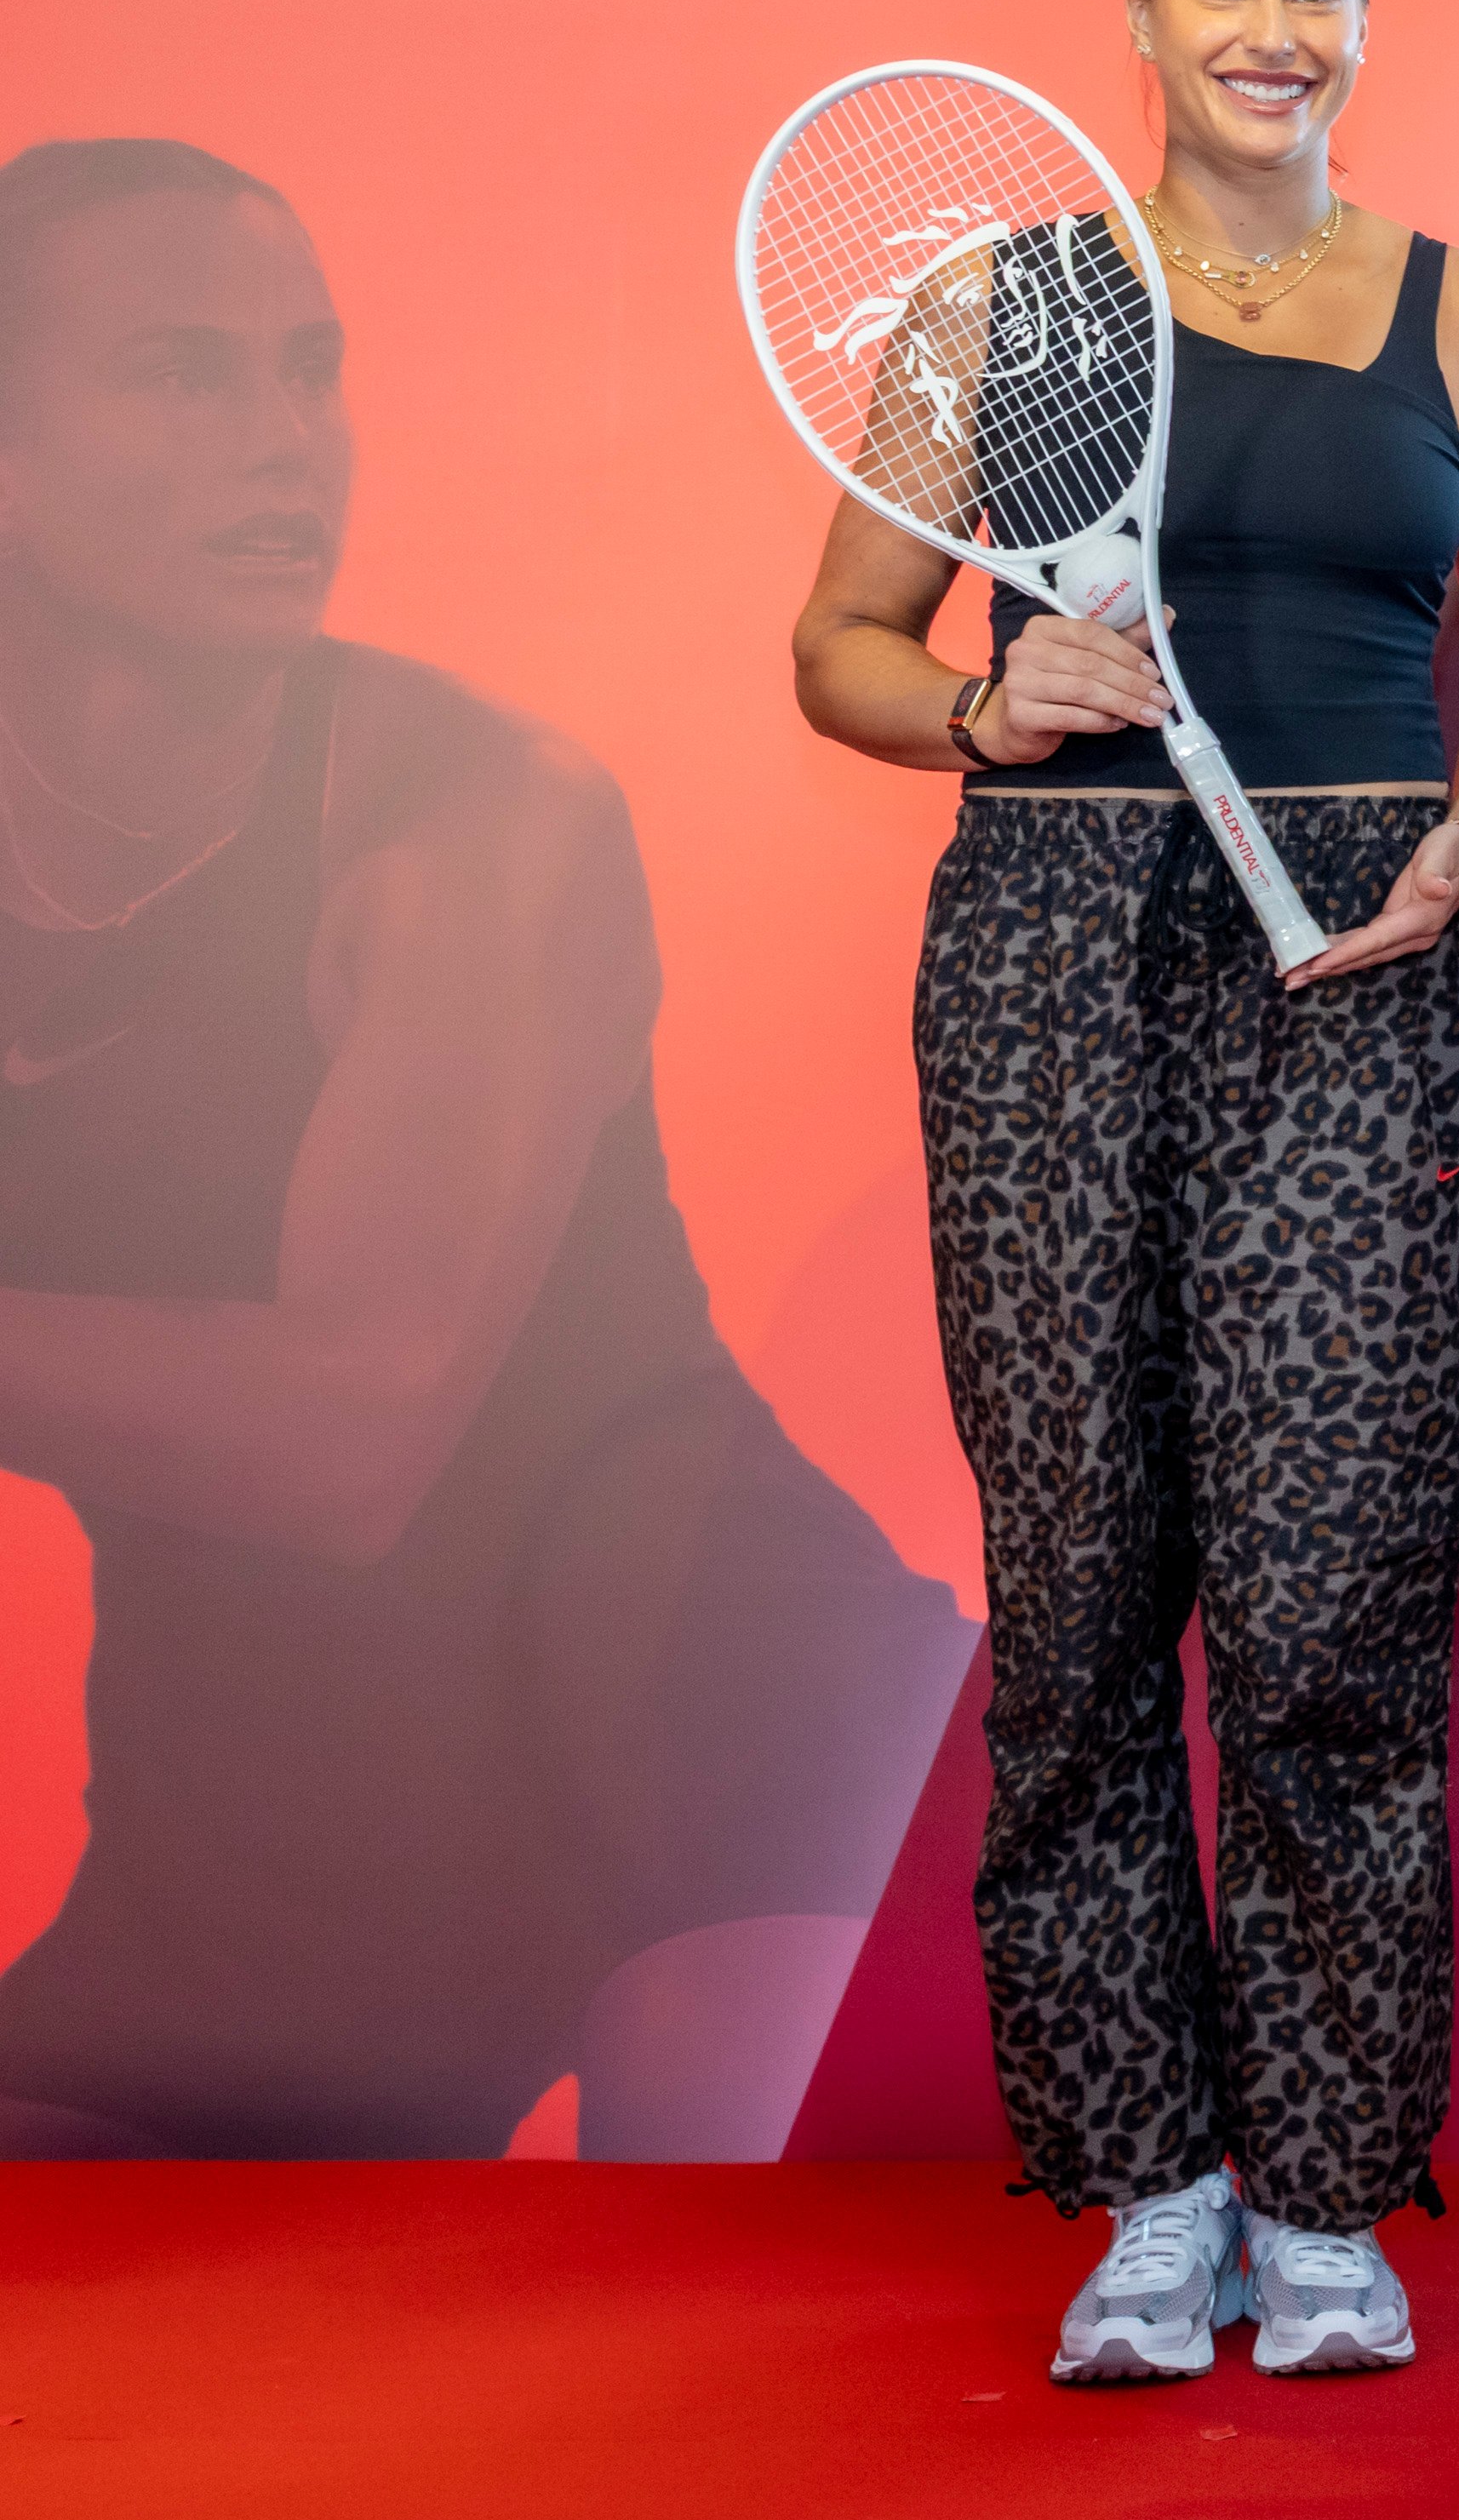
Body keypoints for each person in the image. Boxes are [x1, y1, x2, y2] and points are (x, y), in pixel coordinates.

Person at [786, 0, 1459, 2385]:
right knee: (1085, 1599)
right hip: (1044, 946)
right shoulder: (986, 300)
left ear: (1365, 17)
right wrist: (980, 705)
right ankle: (1148, 2179)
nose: (1272, 26)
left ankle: (1328, 2188)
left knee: (1335, 1605)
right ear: (1132, 15)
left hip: (1348, 956)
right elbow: (836, 642)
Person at [0, 137, 967, 2160]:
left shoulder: (477, 815)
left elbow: (348, 1426)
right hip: (262, 1814)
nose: (282, 441)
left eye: (306, 369)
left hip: (709, 1719)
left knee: (710, 2408)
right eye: (183, 372)